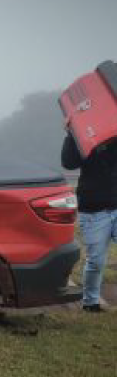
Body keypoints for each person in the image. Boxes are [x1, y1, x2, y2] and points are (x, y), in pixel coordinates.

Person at [61, 133, 117, 312]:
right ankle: (90, 302)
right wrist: (72, 134)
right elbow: (69, 163)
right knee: (96, 261)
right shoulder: (83, 132)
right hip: (94, 210)